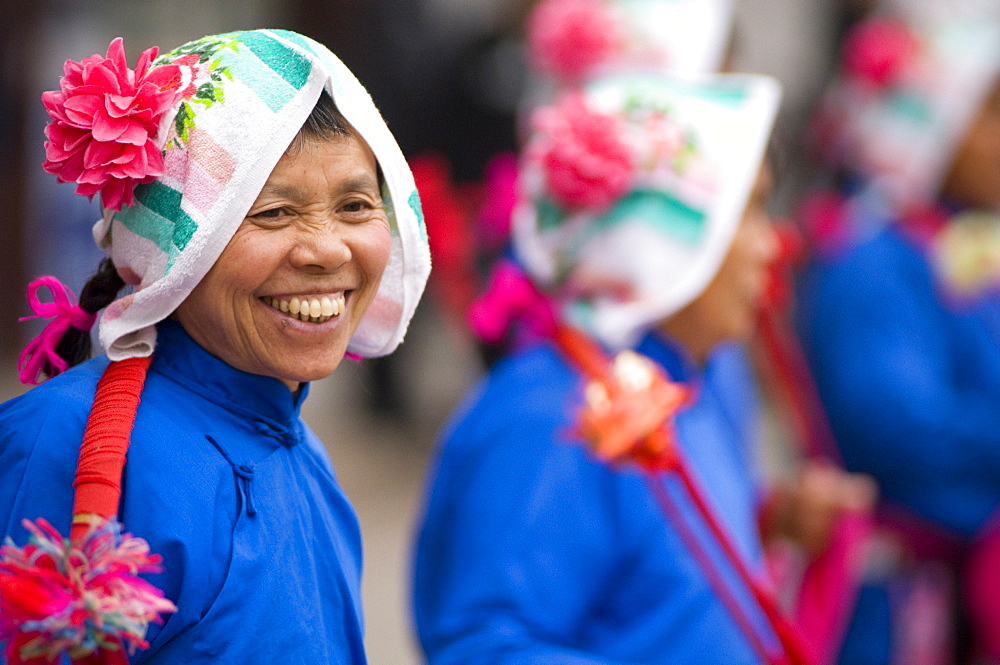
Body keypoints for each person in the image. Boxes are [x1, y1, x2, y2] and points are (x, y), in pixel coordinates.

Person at [0, 29, 430, 664]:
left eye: (355, 205)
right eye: (274, 213)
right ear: (174, 248)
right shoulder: (63, 444)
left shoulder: (299, 449)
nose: (328, 250)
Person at [412, 72, 873, 664]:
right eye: (751, 210)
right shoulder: (549, 418)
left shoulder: (677, 383)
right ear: (660, 239)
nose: (774, 244)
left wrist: (771, 519)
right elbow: (483, 645)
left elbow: (644, 568)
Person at [796, 2, 1000, 661]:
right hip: (903, 609)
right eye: (989, 113)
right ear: (932, 123)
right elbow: (898, 434)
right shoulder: (869, 260)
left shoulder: (951, 240)